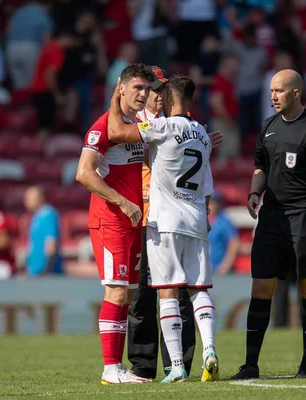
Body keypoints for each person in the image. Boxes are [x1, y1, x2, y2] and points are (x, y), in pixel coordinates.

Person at [107, 74, 219, 383]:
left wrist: (116, 98)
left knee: (167, 292)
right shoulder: (203, 134)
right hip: (196, 218)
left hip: (164, 220)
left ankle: (178, 367)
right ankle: (210, 349)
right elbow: (207, 183)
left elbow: (117, 132)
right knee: (198, 289)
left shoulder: (161, 127)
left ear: (168, 100)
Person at [230, 69, 306, 380]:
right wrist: (254, 192)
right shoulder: (268, 126)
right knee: (261, 288)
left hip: (305, 216)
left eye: (279, 91)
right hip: (271, 218)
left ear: (296, 92)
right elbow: (261, 165)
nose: (273, 96)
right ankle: (250, 365)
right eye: (271, 90)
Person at [75, 63, 155, 385]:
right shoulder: (102, 128)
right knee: (116, 292)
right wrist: (121, 201)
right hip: (111, 220)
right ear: (120, 88)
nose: (143, 94)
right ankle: (110, 368)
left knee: (128, 294)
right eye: (137, 88)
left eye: (146, 89)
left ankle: (118, 369)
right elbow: (84, 173)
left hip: (133, 219)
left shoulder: (135, 124)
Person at [127, 66, 197, 380]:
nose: (158, 96)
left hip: (172, 217)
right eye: (153, 90)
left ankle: (178, 363)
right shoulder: (131, 123)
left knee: (177, 293)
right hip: (141, 216)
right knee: (142, 295)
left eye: (162, 90)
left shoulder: (184, 124)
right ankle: (143, 365)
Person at [23, 186, 62, 276]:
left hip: (44, 273)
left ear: (40, 198)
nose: (26, 201)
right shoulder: (36, 216)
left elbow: (51, 243)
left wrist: (47, 270)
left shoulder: (48, 215)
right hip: (34, 271)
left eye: (30, 198)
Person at [208, 191, 239, 275]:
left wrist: (225, 266)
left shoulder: (224, 222)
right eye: (210, 202)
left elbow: (233, 244)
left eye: (215, 202)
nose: (212, 205)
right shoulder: (201, 220)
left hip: (219, 269)